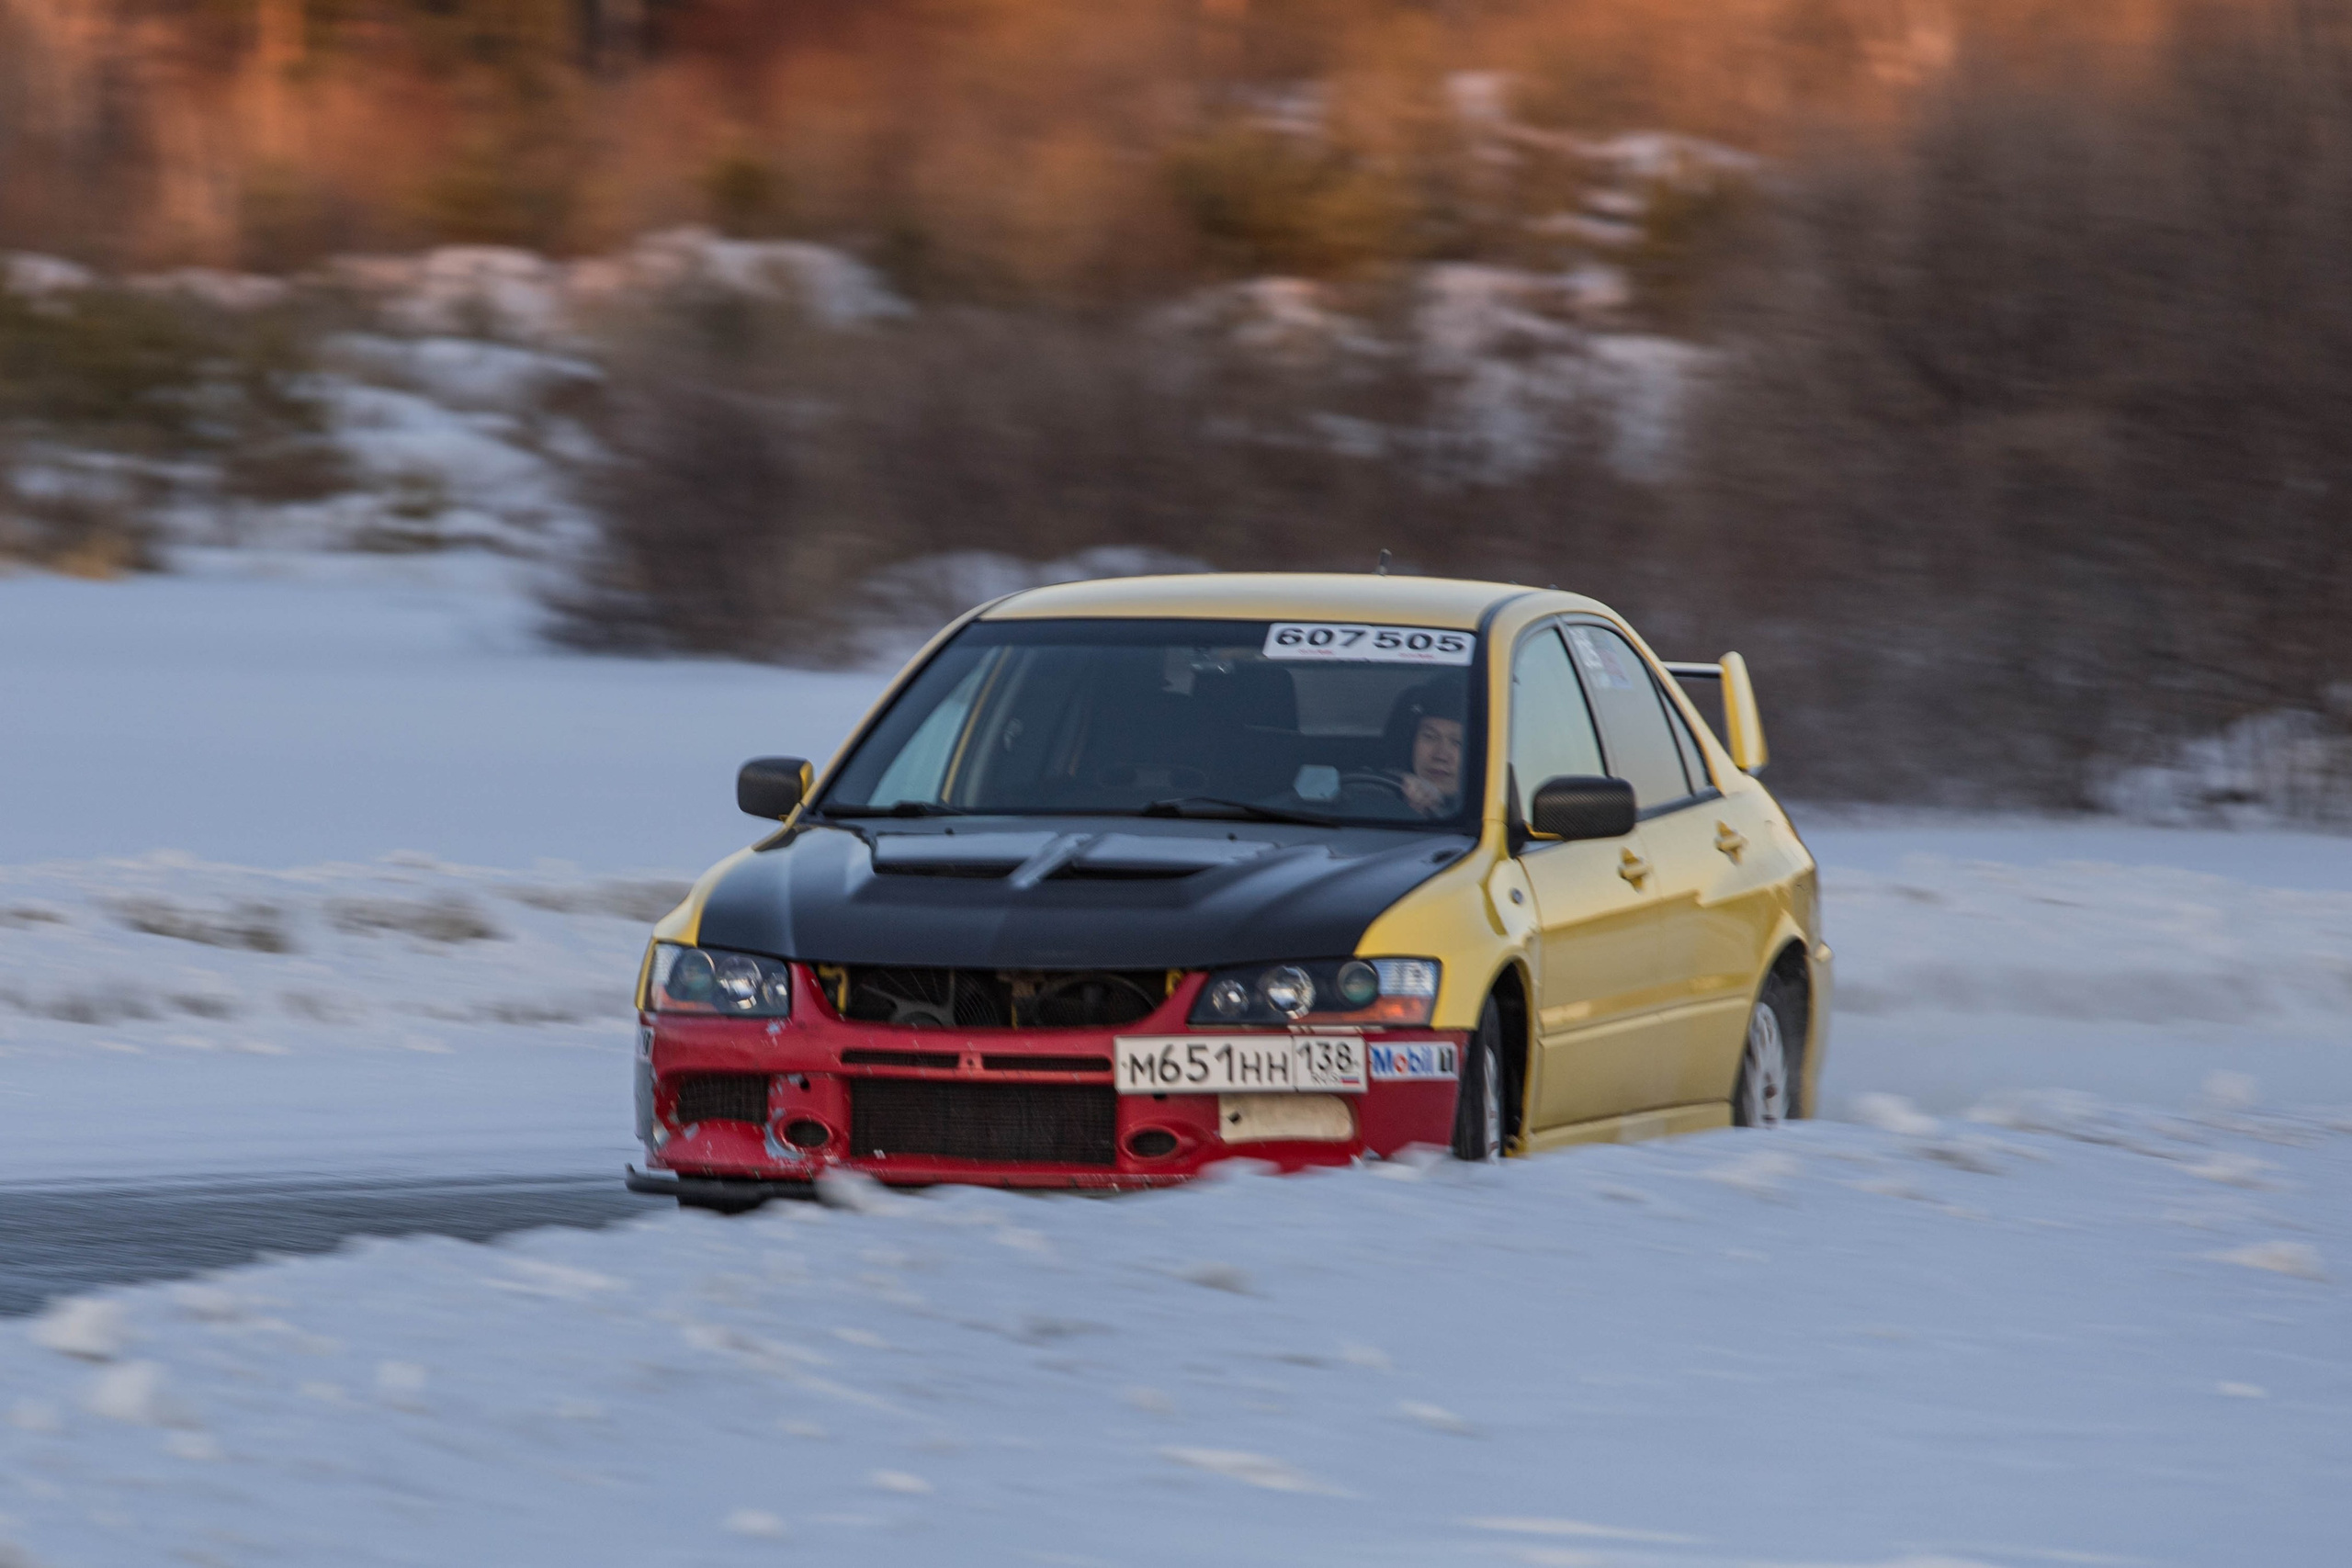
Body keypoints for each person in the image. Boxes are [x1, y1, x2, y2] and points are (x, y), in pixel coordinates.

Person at [1388, 683, 1464, 818]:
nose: (1441, 755)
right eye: (1430, 737)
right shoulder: (1380, 792)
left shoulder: (1494, 818)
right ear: (1410, 743)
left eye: (1458, 742)